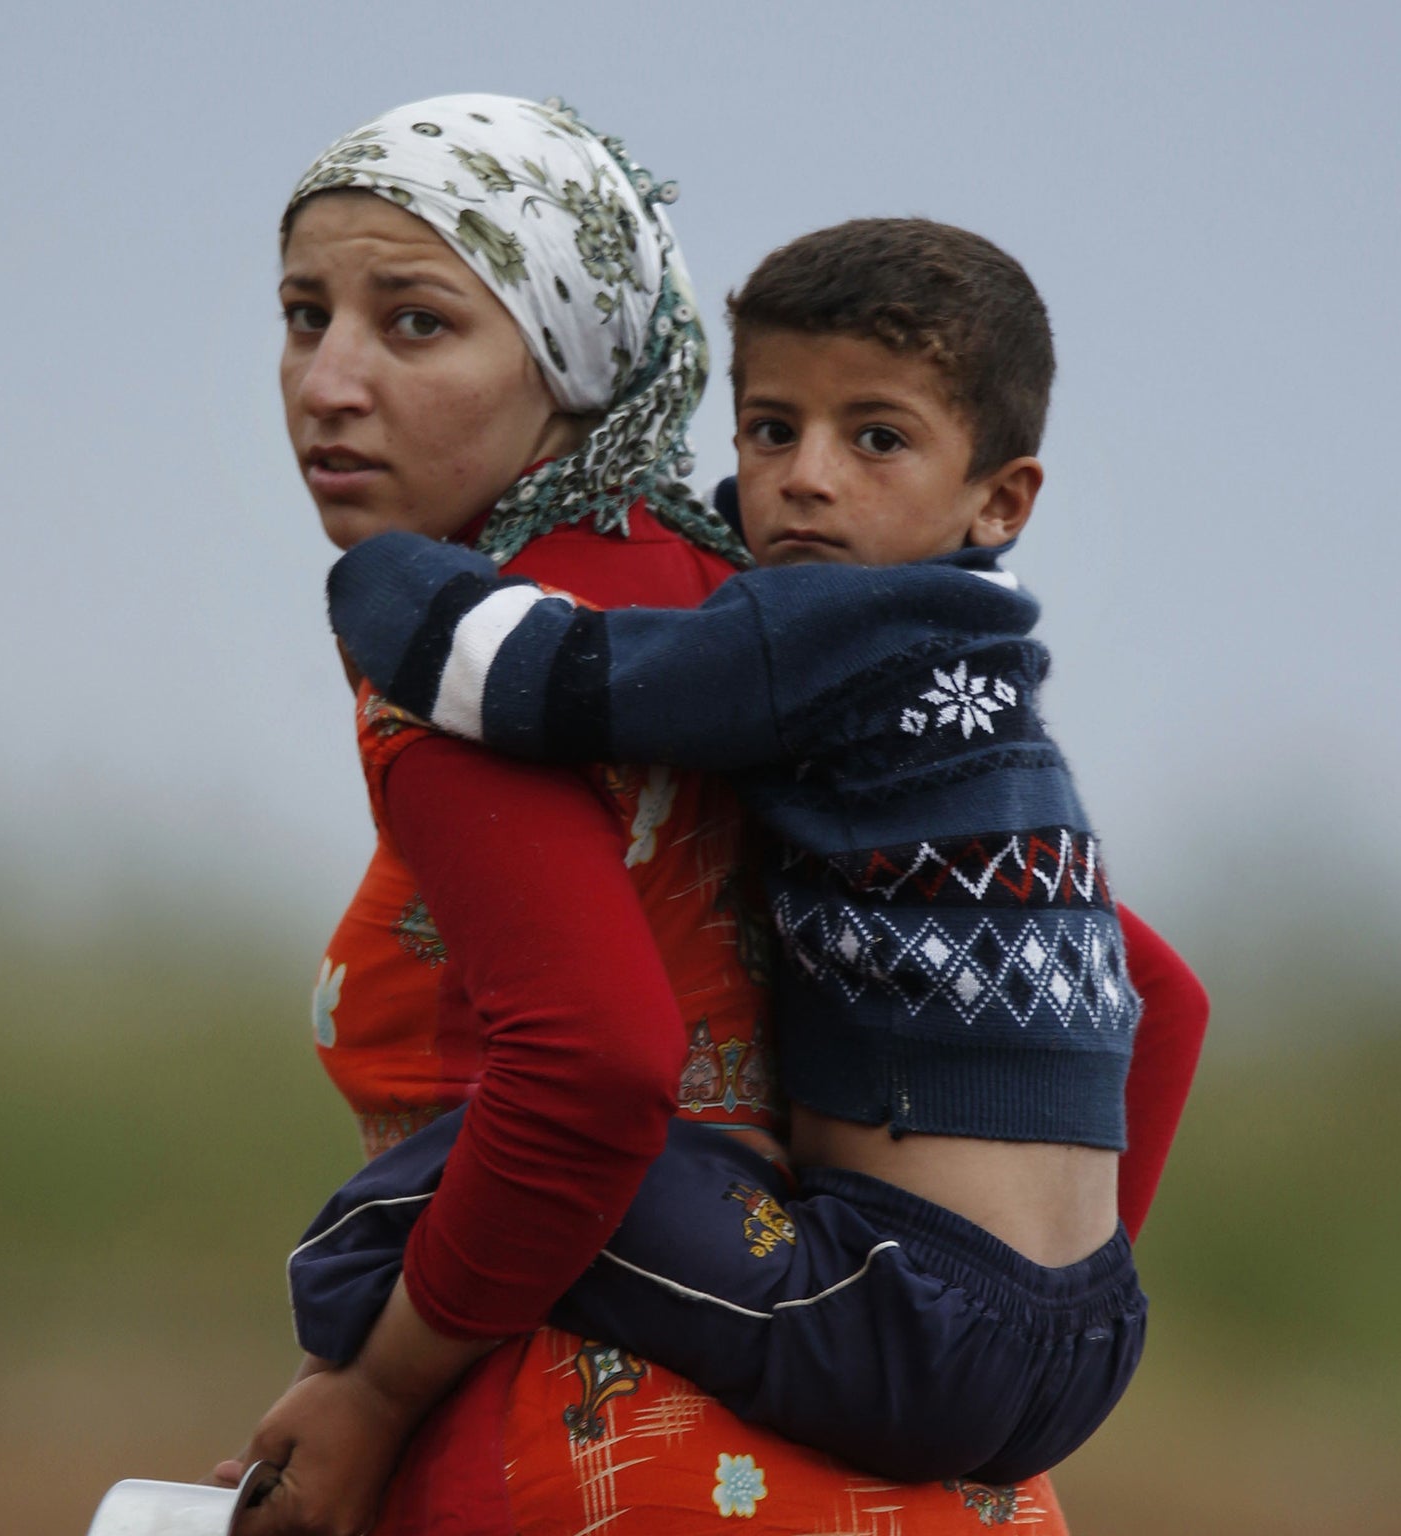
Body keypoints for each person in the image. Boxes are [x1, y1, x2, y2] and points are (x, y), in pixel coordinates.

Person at [215, 94, 1208, 1536]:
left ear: (572, 349)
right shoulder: (773, 637)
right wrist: (1022, 1299)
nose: (330, 382)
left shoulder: (540, 668)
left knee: (381, 1220)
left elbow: (599, 1068)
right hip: (966, 1473)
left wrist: (368, 1389)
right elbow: (1153, 995)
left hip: (613, 1466)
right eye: (306, 315)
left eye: (416, 323)